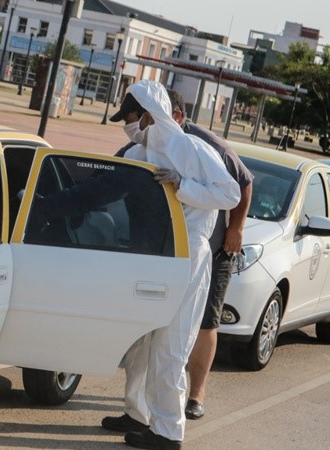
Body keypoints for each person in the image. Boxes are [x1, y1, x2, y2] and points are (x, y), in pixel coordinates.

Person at [100, 80, 240, 449]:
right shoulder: (140, 153)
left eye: (131, 119)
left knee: (171, 346)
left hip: (187, 257)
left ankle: (168, 432)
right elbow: (103, 184)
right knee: (142, 344)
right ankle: (139, 414)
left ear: (149, 115)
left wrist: (184, 184)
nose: (128, 127)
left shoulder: (191, 148)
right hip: (154, 256)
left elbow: (231, 193)